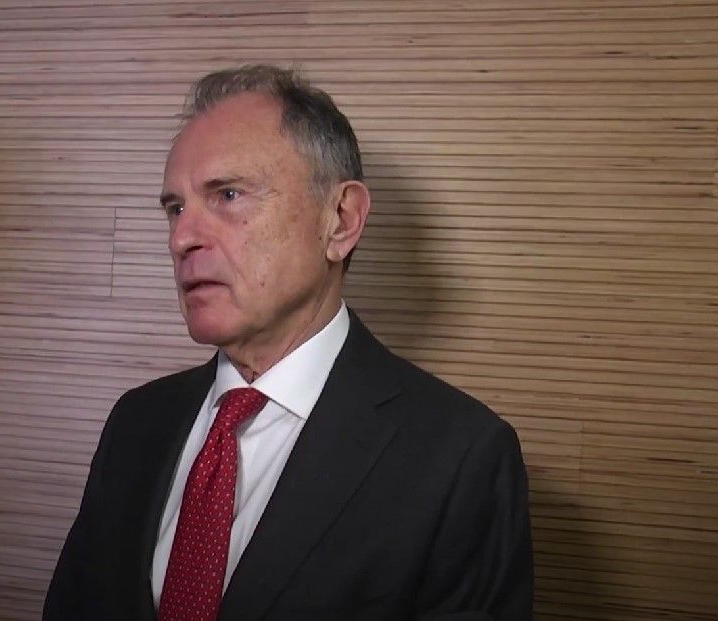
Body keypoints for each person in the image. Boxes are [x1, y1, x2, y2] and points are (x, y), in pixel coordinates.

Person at [43, 65, 533, 621]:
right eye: (175, 208)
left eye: (228, 194)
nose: (182, 238)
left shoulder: (461, 458)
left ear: (340, 220)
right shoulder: (136, 422)